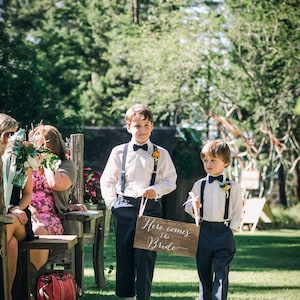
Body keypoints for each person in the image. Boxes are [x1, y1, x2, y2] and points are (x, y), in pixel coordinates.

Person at [100, 103, 177, 300]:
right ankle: (126, 296)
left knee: (145, 255)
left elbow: (170, 181)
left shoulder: (161, 153)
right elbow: (107, 180)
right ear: (128, 127)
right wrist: (113, 204)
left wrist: (156, 190)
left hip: (150, 208)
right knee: (124, 254)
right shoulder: (119, 152)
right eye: (137, 126)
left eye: (146, 125)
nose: (142, 130)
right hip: (124, 207)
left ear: (152, 126)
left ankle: (143, 296)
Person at [184, 139, 243, 300]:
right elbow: (188, 207)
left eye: (213, 160)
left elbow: (238, 211)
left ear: (225, 162)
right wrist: (194, 206)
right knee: (204, 274)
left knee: (221, 272)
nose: (208, 164)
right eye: (205, 160)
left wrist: (231, 231)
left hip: (223, 233)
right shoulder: (199, 185)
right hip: (203, 232)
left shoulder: (234, 186)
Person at [28, 124, 87, 271]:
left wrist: (48, 161)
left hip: (49, 217)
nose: (39, 149)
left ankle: (36, 279)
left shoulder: (66, 166)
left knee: (38, 230)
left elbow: (55, 184)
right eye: (36, 144)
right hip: (26, 213)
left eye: (44, 145)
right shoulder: (26, 165)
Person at [0, 113, 35, 300]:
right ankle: (8, 295)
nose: (12, 139)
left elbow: (28, 194)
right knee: (10, 244)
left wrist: (14, 207)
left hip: (18, 217)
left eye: (14, 134)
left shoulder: (22, 158)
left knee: (8, 224)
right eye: (8, 134)